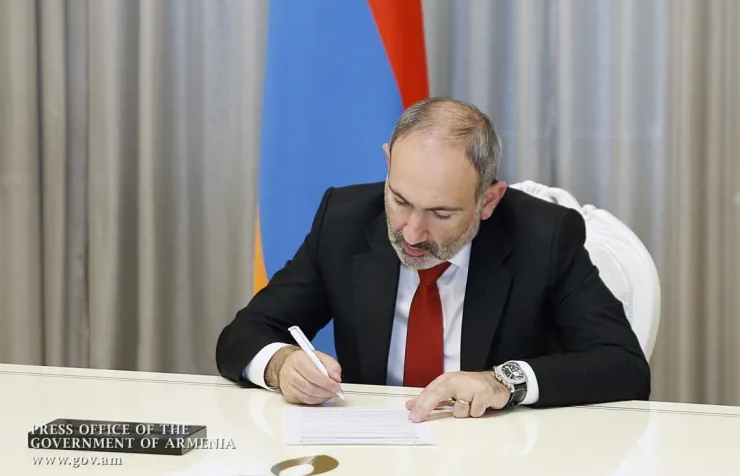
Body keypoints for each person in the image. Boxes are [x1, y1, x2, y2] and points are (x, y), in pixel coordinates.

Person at [216, 97, 651, 422]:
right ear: (388, 163)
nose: (411, 233)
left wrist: (502, 381)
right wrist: (281, 365)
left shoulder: (544, 236)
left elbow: (624, 366)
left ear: (488, 200)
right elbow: (243, 335)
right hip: (372, 455)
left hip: (500, 457)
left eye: (441, 214)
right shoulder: (344, 222)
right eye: (400, 201)